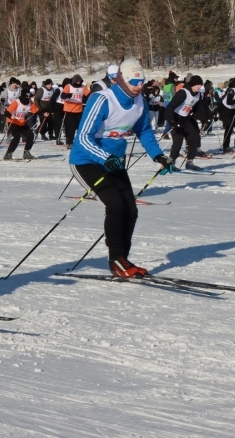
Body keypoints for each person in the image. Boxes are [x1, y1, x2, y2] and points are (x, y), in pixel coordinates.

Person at [69, 59, 176, 278]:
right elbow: (83, 137)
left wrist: (159, 156)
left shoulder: (139, 102)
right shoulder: (102, 99)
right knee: (116, 205)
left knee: (131, 210)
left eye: (142, 81)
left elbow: (144, 131)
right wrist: (105, 157)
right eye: (135, 82)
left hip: (114, 161)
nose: (139, 86)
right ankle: (116, 259)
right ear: (122, 80)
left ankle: (123, 259)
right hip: (86, 160)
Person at [165, 74, 205, 170]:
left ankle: (189, 162)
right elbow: (170, 107)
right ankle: (171, 162)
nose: (199, 87)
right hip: (176, 118)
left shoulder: (198, 95)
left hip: (186, 119)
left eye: (200, 85)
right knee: (178, 140)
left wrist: (204, 118)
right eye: (197, 85)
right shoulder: (183, 93)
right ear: (192, 85)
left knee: (194, 137)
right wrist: (172, 121)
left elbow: (198, 108)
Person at [3, 88, 39, 160]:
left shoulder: (30, 103)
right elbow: (6, 113)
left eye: (29, 97)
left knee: (30, 135)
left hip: (22, 123)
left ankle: (26, 153)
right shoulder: (16, 103)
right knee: (17, 137)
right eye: (26, 97)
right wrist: (10, 116)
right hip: (12, 122)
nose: (28, 99)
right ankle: (8, 154)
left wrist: (44, 113)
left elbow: (36, 111)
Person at [60, 74, 90, 148]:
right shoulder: (68, 86)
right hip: (69, 110)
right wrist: (68, 95)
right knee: (71, 127)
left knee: (80, 127)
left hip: (79, 110)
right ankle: (69, 142)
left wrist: (86, 98)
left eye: (79, 81)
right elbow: (62, 95)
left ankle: (80, 141)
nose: (78, 82)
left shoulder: (83, 87)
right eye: (77, 81)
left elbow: (89, 94)